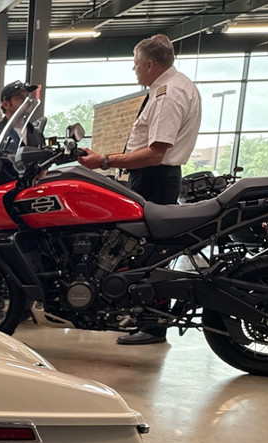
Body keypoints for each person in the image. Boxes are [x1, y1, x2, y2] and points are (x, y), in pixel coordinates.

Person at [79, 33, 201, 345]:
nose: (133, 70)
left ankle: (152, 325)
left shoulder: (168, 94)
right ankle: (140, 317)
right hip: (156, 176)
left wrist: (104, 161)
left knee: (147, 253)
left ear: (149, 64)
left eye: (135, 65)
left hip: (153, 177)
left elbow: (155, 153)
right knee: (146, 250)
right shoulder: (175, 86)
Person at [0, 80, 46, 188]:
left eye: (27, 96)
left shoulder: (36, 134)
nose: (27, 101)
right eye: (20, 97)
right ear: (6, 104)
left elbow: (43, 169)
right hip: (6, 195)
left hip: (32, 195)